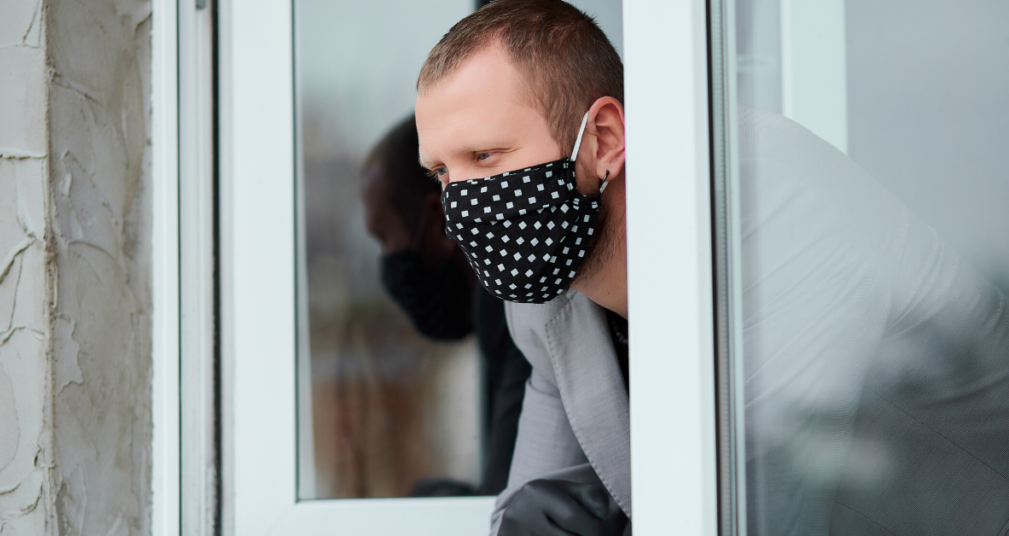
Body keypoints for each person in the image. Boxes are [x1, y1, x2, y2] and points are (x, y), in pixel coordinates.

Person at [414, 1, 1009, 535]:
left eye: (484, 156)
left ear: (604, 138)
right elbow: (541, 500)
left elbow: (762, 505)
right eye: (441, 174)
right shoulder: (543, 284)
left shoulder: (755, 196)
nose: (461, 202)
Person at [360, 115, 533, 496]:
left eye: (385, 236)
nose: (388, 261)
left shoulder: (512, 306)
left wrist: (427, 503)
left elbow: (511, 505)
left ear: (438, 220)